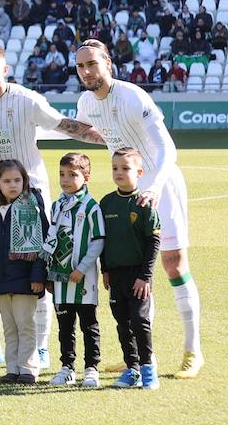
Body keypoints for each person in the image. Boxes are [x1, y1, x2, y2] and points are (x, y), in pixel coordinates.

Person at [0, 43, 101, 368]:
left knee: (36, 272)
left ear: (4, 69)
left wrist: (111, 138)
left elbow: (65, 125)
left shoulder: (26, 100)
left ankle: (42, 347)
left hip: (30, 200)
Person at [74, 40, 202, 378]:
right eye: (81, 66)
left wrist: (156, 187)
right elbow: (92, 133)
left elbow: (166, 148)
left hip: (163, 185)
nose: (87, 71)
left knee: (173, 265)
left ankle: (193, 351)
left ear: (108, 64)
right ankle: (143, 358)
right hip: (128, 189)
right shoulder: (86, 102)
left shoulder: (132, 95)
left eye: (92, 64)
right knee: (132, 273)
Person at [0, 160, 50, 385]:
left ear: (25, 182)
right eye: (7, 181)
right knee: (9, 327)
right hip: (1, 280)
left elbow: (43, 244)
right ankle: (12, 368)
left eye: (17, 180)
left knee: (25, 324)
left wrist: (38, 276)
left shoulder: (33, 208)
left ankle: (28, 368)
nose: (13, 185)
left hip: (26, 280)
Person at [100, 147, 162, 390]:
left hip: (138, 276)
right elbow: (102, 240)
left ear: (139, 172)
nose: (119, 172)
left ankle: (148, 369)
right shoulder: (106, 202)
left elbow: (154, 241)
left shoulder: (144, 203)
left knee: (139, 320)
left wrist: (145, 276)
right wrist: (105, 269)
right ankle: (132, 369)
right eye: (115, 168)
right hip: (115, 275)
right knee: (122, 322)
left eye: (125, 168)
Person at [43, 152, 105, 389]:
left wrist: (82, 267)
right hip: (59, 278)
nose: (65, 179)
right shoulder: (57, 206)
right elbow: (52, 239)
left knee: (88, 324)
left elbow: (98, 240)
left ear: (86, 177)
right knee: (64, 326)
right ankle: (67, 367)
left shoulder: (91, 207)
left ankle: (91, 368)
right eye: (61, 174)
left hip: (83, 278)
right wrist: (49, 272)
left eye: (72, 174)